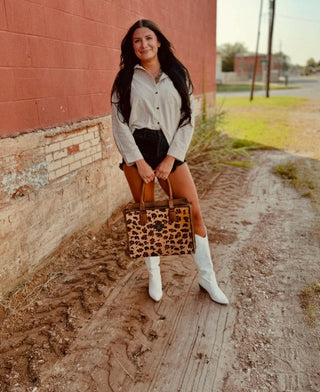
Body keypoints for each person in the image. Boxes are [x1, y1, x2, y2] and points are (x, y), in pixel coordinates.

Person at [111, 19, 228, 305]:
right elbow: (119, 123)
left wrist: (171, 158)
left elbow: (188, 119)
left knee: (194, 213)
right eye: (137, 41)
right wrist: (137, 161)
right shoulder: (125, 79)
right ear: (132, 46)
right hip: (137, 150)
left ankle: (207, 277)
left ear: (159, 41)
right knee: (148, 217)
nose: (144, 45)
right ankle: (154, 276)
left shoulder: (178, 74)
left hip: (170, 149)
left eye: (149, 38)